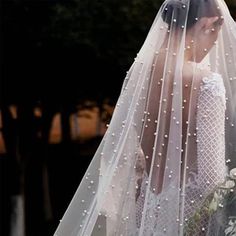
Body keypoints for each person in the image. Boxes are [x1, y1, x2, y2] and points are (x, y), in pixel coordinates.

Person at [54, 0, 236, 235]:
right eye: (214, 38)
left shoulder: (142, 74)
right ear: (206, 24)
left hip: (144, 214)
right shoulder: (208, 84)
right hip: (191, 221)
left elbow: (130, 158)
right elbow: (211, 180)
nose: (211, 49)